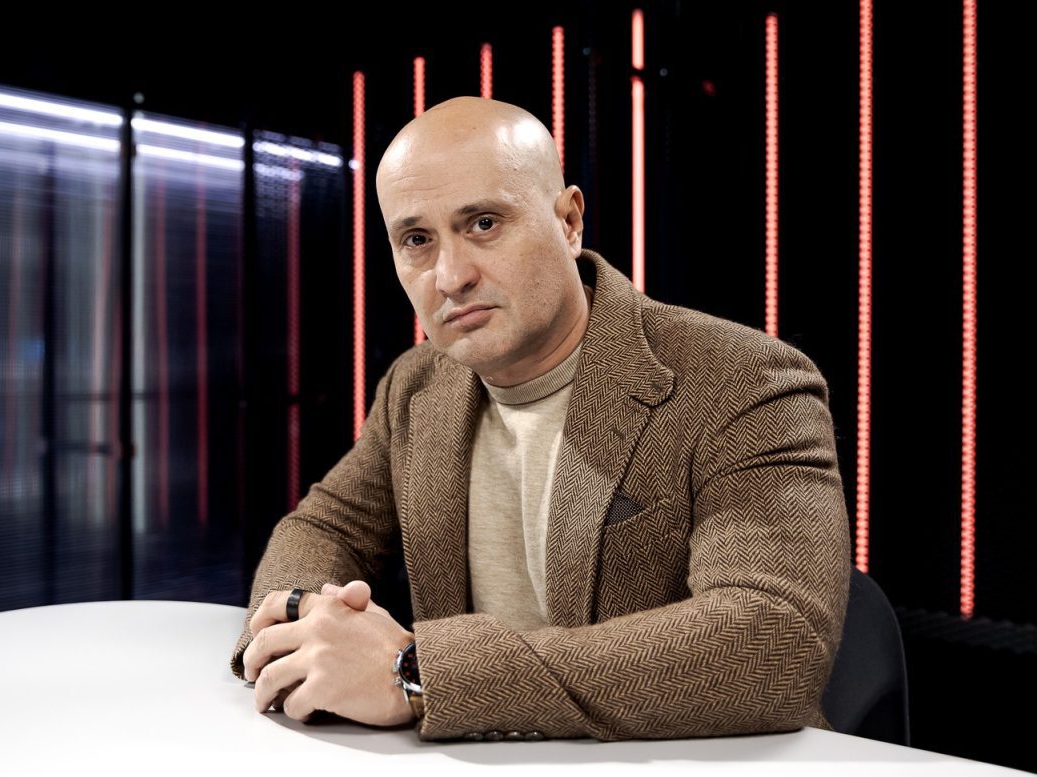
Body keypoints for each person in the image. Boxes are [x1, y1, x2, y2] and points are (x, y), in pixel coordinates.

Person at [232, 96, 851, 742]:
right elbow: (324, 527)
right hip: (473, 774)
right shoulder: (418, 385)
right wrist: (301, 630)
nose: (450, 276)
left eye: (483, 224)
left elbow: (775, 640)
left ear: (569, 221)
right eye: (417, 240)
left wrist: (417, 675)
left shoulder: (742, 380)